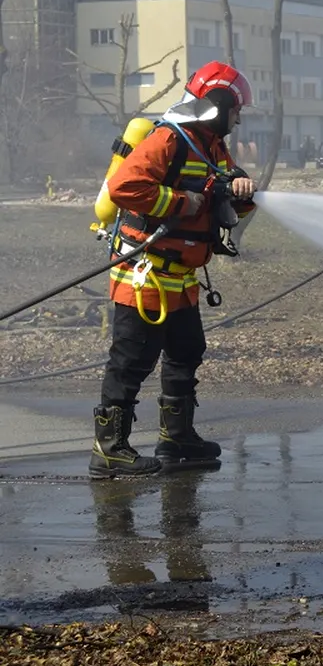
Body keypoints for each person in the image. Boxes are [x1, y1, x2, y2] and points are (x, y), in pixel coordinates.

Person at [89, 60, 257, 480]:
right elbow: (124, 187)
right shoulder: (170, 138)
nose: (238, 118)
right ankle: (108, 449)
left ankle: (177, 439)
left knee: (186, 352)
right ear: (218, 105)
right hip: (144, 274)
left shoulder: (211, 145)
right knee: (132, 360)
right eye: (236, 109)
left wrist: (240, 192)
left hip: (180, 278)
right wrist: (183, 203)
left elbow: (220, 194)